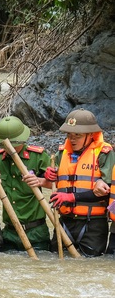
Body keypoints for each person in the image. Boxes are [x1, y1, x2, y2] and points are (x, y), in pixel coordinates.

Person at [44, 109, 114, 256]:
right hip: (65, 220)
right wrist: (48, 176)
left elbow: (107, 192)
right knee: (56, 261)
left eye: (77, 135)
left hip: (93, 223)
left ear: (91, 135)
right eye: (69, 135)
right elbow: (57, 181)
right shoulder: (61, 153)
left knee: (90, 267)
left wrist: (71, 197)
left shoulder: (104, 154)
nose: (72, 139)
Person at [0, 116, 52, 251]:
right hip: (10, 232)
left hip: (36, 231)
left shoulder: (38, 156)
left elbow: (58, 184)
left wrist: (39, 181)